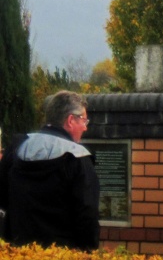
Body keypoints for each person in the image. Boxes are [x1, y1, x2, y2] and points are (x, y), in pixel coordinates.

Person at [0, 90, 100, 250]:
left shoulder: (18, 147)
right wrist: (88, 253)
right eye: (83, 120)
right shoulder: (78, 158)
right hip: (61, 259)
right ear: (70, 120)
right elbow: (87, 215)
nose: (85, 127)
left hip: (19, 256)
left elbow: (3, 198)